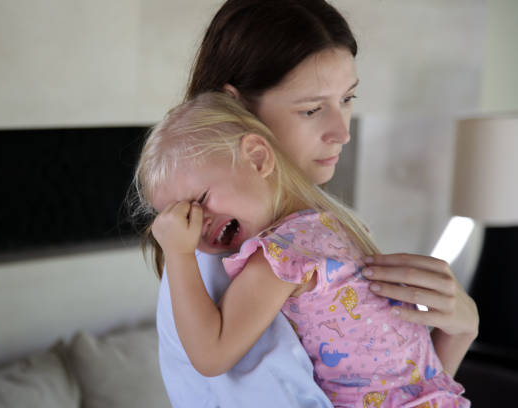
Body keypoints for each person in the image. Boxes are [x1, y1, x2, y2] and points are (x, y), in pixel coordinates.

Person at [149, 0, 478, 406]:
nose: (342, 132)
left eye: (348, 98)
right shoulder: (235, 262)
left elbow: (397, 389)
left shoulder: (324, 227)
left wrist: (460, 332)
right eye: (311, 109)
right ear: (238, 110)